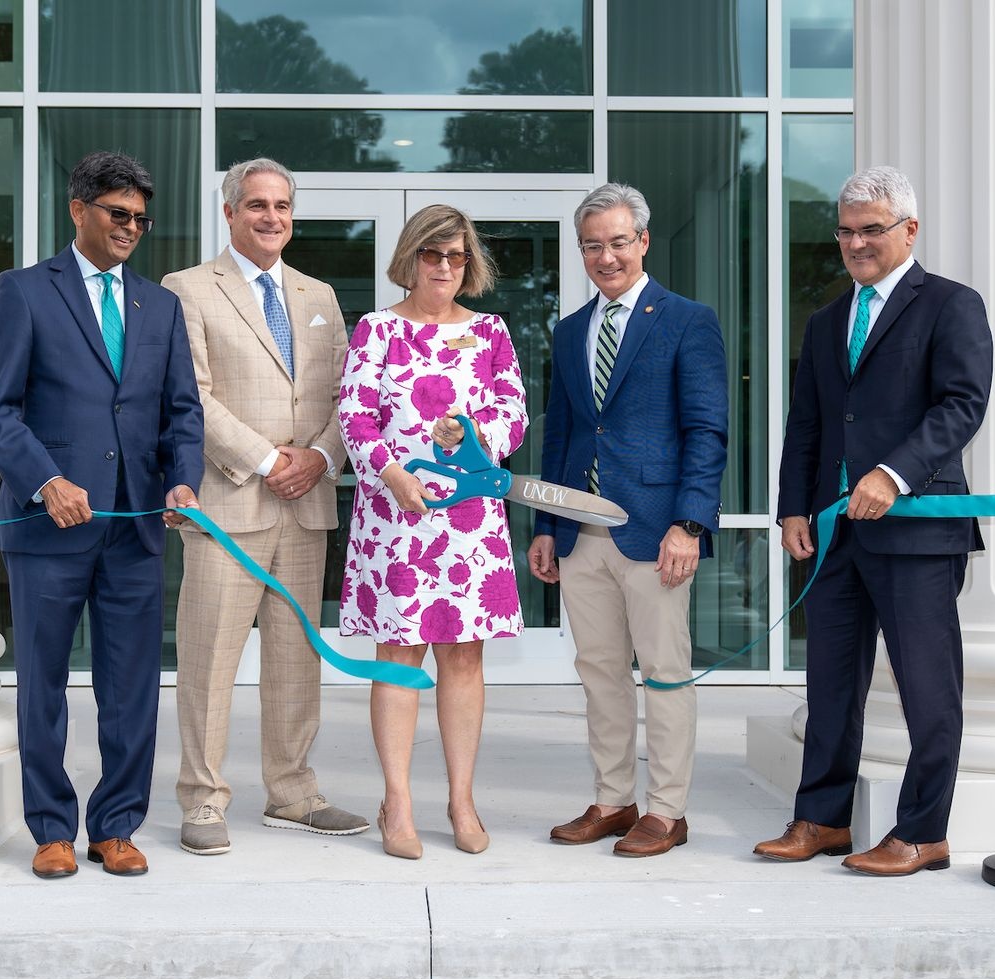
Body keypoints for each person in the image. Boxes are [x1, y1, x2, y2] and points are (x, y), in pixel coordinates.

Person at [753, 165, 993, 876]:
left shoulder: (952, 305)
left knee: (927, 688)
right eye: (846, 231)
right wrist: (792, 507)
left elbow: (962, 404)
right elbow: (808, 424)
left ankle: (922, 832)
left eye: (871, 230)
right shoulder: (828, 320)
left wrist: (893, 474)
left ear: (909, 230)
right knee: (829, 685)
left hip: (917, 532)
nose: (856, 243)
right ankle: (821, 820)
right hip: (834, 538)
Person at [0, 151, 204, 878]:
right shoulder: (23, 292)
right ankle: (50, 828)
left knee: (131, 686)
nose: (132, 227)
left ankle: (116, 827)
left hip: (136, 529)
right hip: (47, 528)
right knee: (42, 682)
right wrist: (46, 481)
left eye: (141, 217)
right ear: (79, 211)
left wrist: (183, 483)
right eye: (118, 214)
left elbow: (181, 414)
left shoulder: (161, 306)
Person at [161, 158, 367, 855]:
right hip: (229, 506)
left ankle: (294, 793)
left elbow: (351, 396)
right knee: (210, 660)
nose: (271, 217)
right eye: (256, 205)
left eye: (281, 205)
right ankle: (205, 800)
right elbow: (191, 393)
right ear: (229, 213)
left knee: (294, 661)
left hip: (306, 506)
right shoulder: (187, 289)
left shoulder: (319, 294)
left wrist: (320, 457)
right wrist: (266, 458)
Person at [528, 183, 728, 859]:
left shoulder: (687, 321)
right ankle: (614, 801)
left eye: (618, 241)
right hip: (582, 535)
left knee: (665, 672)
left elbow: (707, 430)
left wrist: (690, 525)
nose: (606, 256)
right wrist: (547, 527)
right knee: (599, 673)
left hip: (654, 533)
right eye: (593, 244)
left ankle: (668, 811)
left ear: (642, 240)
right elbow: (560, 436)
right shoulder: (570, 330)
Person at [338, 204, 527, 860]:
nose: (446, 267)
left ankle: (461, 798)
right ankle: (398, 802)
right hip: (398, 516)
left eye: (457, 257)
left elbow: (512, 409)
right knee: (400, 655)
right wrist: (392, 475)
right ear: (411, 258)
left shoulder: (492, 330)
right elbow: (355, 415)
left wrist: (478, 436)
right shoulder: (377, 329)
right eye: (433, 254)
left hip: (470, 518)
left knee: (464, 656)